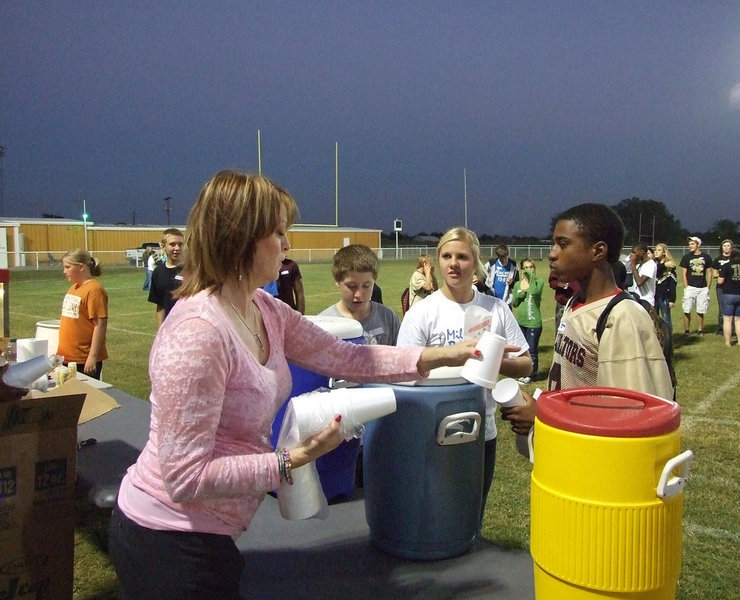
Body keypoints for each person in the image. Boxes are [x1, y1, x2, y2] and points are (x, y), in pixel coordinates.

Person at [107, 170, 479, 600]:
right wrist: (293, 459)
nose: (287, 245)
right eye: (279, 232)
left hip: (212, 536)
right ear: (240, 237)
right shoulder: (198, 333)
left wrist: (436, 356)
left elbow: (347, 356)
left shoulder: (263, 307)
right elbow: (185, 478)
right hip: (166, 540)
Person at [501, 203, 673, 439]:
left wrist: (544, 415)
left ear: (598, 251)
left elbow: (628, 418)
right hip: (571, 450)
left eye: (563, 244)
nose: (551, 254)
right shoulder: (575, 301)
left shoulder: (621, 316)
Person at [398, 227, 531, 523]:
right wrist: (452, 354)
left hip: (480, 427)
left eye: (462, 256)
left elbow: (526, 363)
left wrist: (491, 358)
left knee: (473, 510)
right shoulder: (422, 312)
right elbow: (403, 370)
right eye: (446, 256)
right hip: (433, 425)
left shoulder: (495, 308)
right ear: (438, 260)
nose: (453, 264)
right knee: (435, 509)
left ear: (475, 262)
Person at [319, 244, 400, 345]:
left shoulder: (388, 317)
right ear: (337, 281)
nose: (358, 294)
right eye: (351, 286)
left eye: (366, 286)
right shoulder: (323, 323)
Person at [57, 249, 108, 379]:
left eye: (68, 267)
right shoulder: (74, 287)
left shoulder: (94, 290)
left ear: (81, 267)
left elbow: (100, 325)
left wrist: (92, 357)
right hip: (67, 357)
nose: (64, 271)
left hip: (83, 359)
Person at [510, 258, 544, 383]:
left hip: (534, 323)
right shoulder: (518, 284)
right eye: (526, 267)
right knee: (523, 350)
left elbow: (534, 292)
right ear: (521, 269)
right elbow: (514, 303)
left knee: (532, 350)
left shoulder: (538, 282)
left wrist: (529, 277)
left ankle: (532, 375)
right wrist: (520, 293)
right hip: (521, 322)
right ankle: (524, 372)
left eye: (531, 267)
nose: (529, 269)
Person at [148, 228, 185, 328]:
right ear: (163, 246)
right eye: (172, 244)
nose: (177, 248)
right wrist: (161, 330)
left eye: (180, 244)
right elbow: (160, 305)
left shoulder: (191, 270)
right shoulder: (158, 272)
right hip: (169, 329)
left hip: (188, 327)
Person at [717, 245, 740, 347]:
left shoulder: (727, 266)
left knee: (727, 319)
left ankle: (728, 342)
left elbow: (720, 281)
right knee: (738, 319)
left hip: (729, 294)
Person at [679, 236, 714, 336]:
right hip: (690, 287)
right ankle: (686, 331)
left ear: (698, 245)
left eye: (692, 244)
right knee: (687, 309)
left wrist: (708, 286)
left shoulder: (706, 257)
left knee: (700, 310)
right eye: (689, 244)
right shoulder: (686, 257)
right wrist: (686, 287)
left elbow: (709, 272)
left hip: (702, 287)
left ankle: (700, 330)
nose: (690, 246)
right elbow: (684, 273)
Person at [653, 243, 677, 331]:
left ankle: (668, 339)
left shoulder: (670, 266)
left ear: (664, 253)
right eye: (655, 250)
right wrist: (664, 265)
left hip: (664, 296)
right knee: (654, 318)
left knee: (666, 318)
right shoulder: (653, 264)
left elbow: (673, 284)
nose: (656, 252)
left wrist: (672, 299)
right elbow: (655, 270)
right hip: (654, 296)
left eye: (659, 250)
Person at [712, 239, 733, 335]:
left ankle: (732, 329)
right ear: (721, 247)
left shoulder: (734, 259)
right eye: (725, 246)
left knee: (732, 307)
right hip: (721, 286)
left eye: (728, 246)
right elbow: (714, 274)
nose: (726, 248)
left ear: (731, 247)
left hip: (733, 286)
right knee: (722, 308)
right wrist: (724, 273)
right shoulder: (717, 260)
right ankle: (721, 329)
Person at [627, 242, 657, 309]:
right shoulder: (639, 264)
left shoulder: (651, 265)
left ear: (642, 252)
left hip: (646, 302)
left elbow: (640, 282)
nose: (632, 255)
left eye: (634, 252)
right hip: (637, 300)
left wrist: (633, 265)